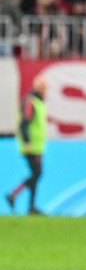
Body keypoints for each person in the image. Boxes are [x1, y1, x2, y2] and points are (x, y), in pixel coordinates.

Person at [7, 76, 48, 215]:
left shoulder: (38, 103)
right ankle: (13, 194)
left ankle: (31, 206)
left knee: (35, 174)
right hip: (31, 145)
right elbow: (24, 123)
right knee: (37, 173)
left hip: (38, 145)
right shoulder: (31, 102)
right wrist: (27, 141)